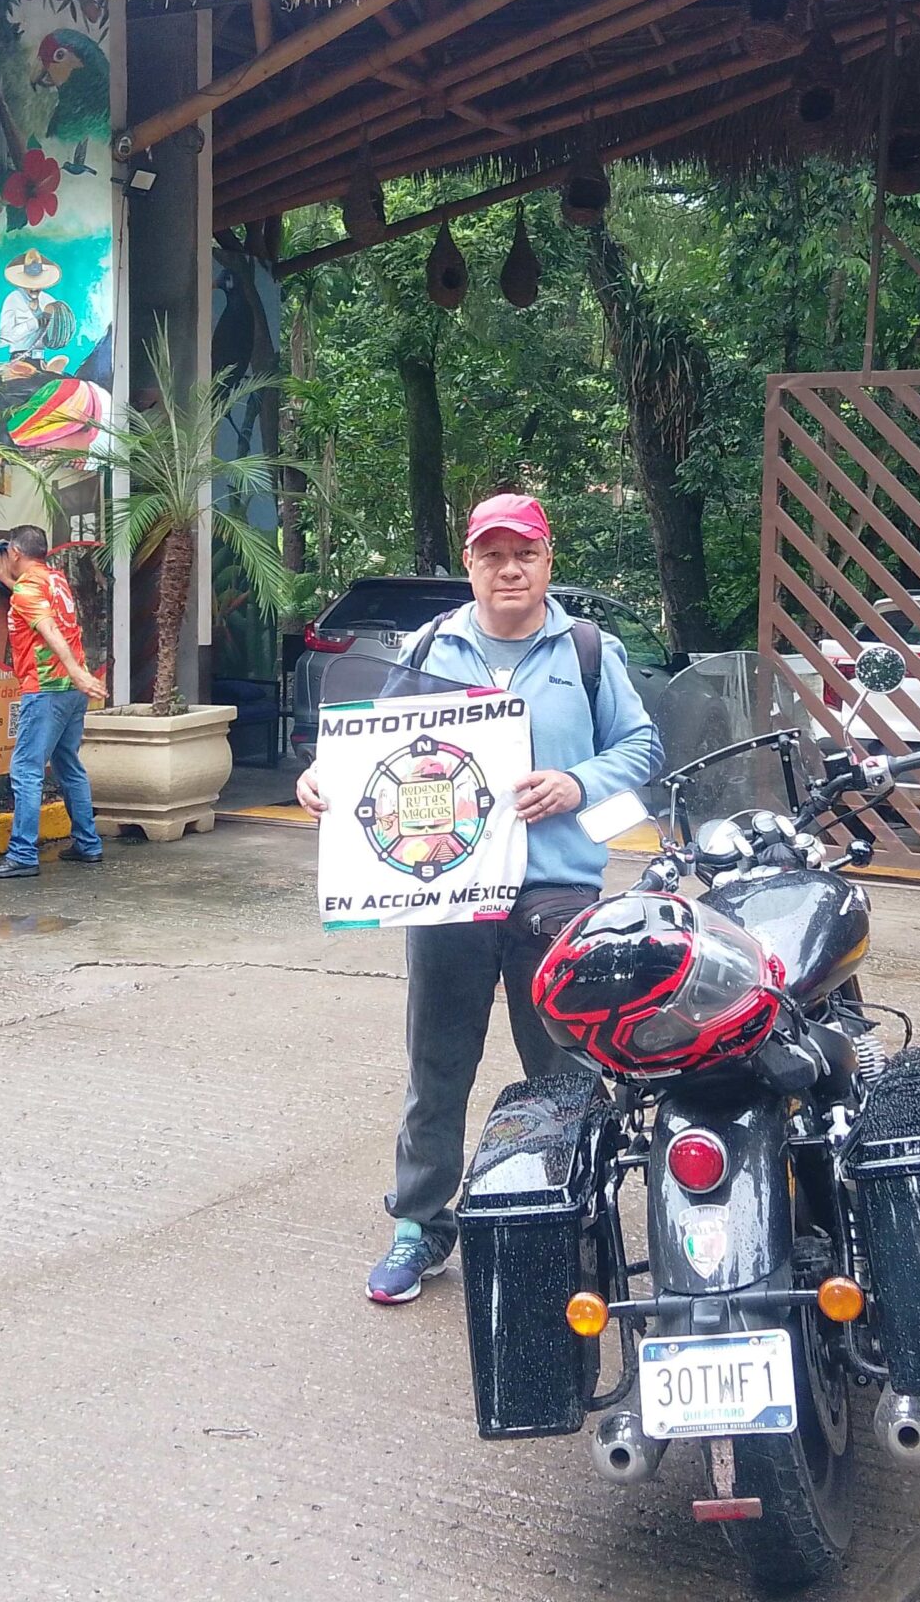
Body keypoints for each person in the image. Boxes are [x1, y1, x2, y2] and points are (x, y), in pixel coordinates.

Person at [297, 492, 663, 1303]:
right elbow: (374, 747)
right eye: (491, 554)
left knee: (564, 1071)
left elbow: (641, 746)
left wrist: (577, 782)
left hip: (555, 896)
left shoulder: (587, 650)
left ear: (547, 560)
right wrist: (323, 779)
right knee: (438, 1069)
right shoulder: (434, 644)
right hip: (447, 894)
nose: (508, 568)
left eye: (522, 553)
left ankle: (576, 1220)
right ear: (468, 563)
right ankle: (421, 1227)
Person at [0, 525, 109, 880]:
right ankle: (88, 843)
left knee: (26, 770)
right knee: (68, 764)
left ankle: (22, 854)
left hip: (46, 689)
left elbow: (49, 630)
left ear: (16, 554)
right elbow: (39, 608)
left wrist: (79, 673)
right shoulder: (55, 580)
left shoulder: (27, 590)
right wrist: (79, 676)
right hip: (70, 691)